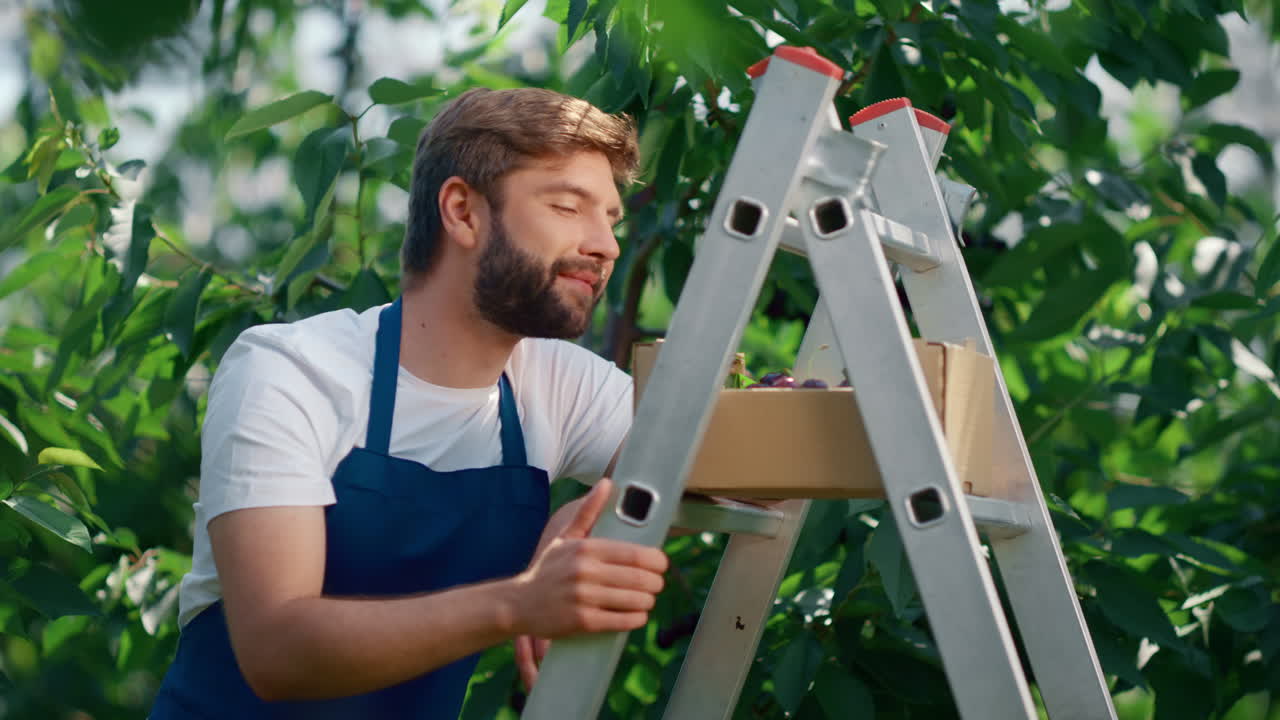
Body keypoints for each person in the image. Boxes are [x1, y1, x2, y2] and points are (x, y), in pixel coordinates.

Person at [149, 87, 670, 719]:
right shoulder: (292, 371)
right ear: (462, 212)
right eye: (568, 207)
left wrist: (594, 514)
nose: (606, 245)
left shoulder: (555, 384)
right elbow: (276, 649)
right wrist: (520, 602)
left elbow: (721, 462)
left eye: (611, 219)